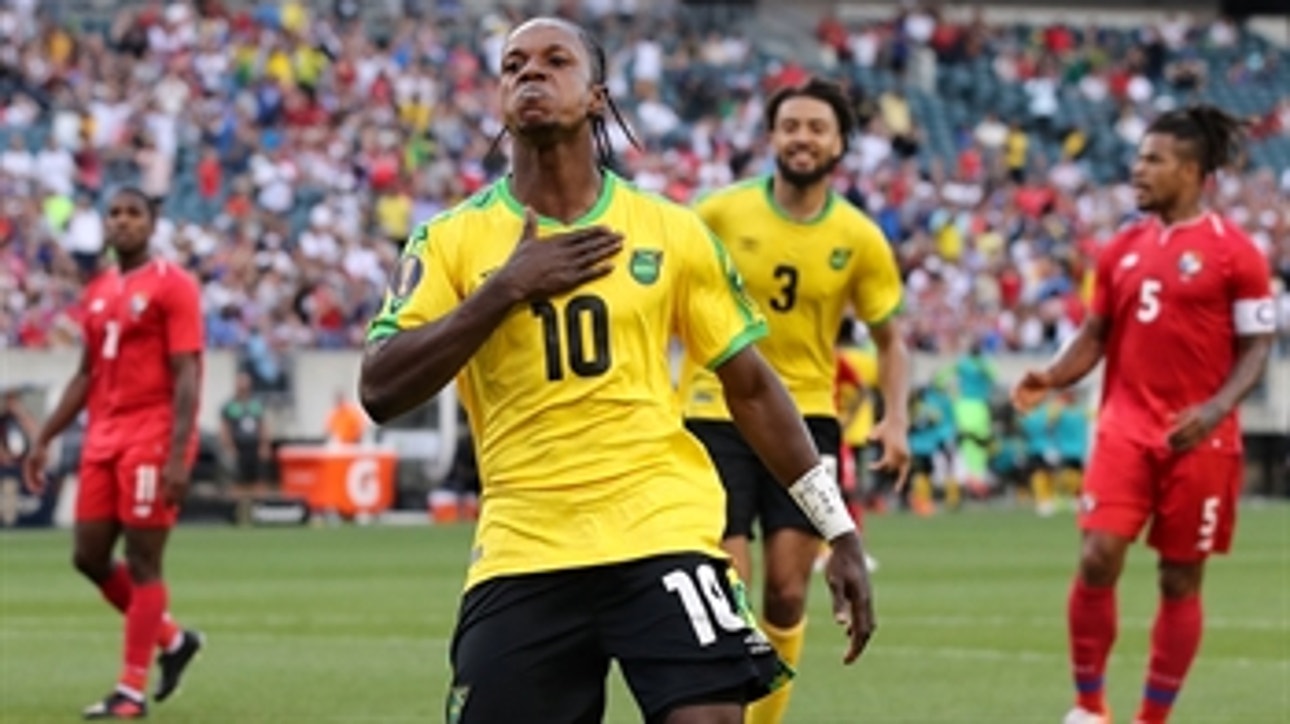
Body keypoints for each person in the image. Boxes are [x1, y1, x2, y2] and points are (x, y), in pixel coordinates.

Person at [358, 18, 875, 724]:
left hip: (661, 529)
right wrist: (504, 289)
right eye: (513, 66)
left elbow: (751, 387)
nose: (529, 74)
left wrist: (838, 528)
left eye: (554, 61)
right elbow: (380, 387)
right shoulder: (450, 239)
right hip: (525, 546)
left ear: (597, 96)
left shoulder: (670, 229)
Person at [1012, 105, 1275, 724]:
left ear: (1191, 170)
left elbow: (1258, 346)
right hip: (1126, 429)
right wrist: (1051, 376)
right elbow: (1095, 334)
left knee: (1179, 581)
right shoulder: (1121, 249)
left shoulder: (1237, 254)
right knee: (1098, 556)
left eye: (1153, 160)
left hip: (1201, 440)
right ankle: (1089, 708)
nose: (1138, 170)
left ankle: (1151, 719)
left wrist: (1215, 410)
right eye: (1138, 158)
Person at [677, 76, 910, 724]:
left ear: (840, 144)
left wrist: (896, 420)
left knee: (786, 591)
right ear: (772, 137)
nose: (802, 138)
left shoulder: (859, 237)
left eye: (816, 128)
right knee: (725, 586)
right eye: (791, 127)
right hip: (711, 409)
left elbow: (892, 339)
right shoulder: (718, 213)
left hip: (806, 420)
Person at [22, 187, 206, 720]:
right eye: (115, 214)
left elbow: (188, 374)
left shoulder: (175, 286)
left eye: (133, 214)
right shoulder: (100, 289)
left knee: (144, 562)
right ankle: (172, 641)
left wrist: (177, 456)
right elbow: (86, 373)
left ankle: (130, 691)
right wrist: (45, 436)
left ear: (152, 224)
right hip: (104, 435)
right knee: (88, 556)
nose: (122, 222)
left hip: (152, 435)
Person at [219, 371, 272, 499]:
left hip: (254, 445)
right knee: (237, 478)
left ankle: (259, 505)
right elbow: (225, 428)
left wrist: (264, 445)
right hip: (238, 446)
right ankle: (239, 507)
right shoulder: (229, 406)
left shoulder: (256, 404)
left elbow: (262, 425)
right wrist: (229, 446)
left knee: (259, 478)